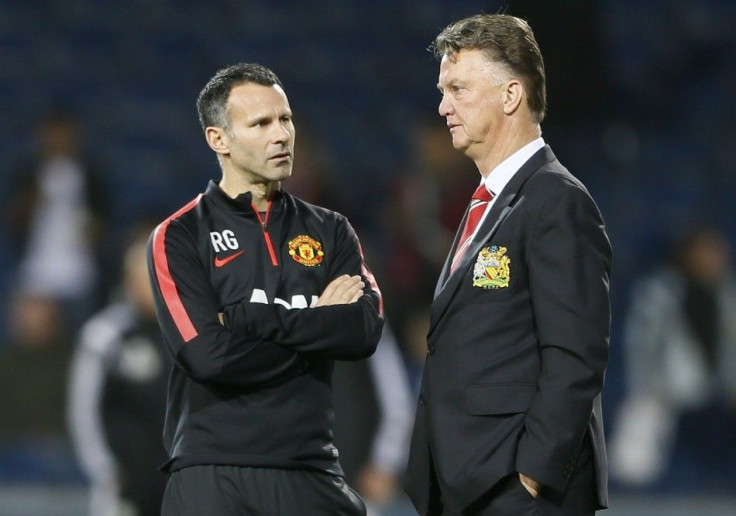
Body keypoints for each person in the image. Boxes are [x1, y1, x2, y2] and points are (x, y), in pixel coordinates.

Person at [146, 62, 384, 515]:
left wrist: (247, 320)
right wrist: (317, 327)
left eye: (286, 119)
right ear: (219, 140)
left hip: (310, 469)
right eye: (261, 123)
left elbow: (363, 330)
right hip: (211, 473)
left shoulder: (331, 230)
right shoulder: (178, 235)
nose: (282, 135)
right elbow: (206, 356)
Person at [404, 14, 612, 516]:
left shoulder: (556, 200)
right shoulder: (489, 203)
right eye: (442, 89)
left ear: (511, 95)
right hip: (473, 483)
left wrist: (533, 476)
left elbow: (575, 353)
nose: (442, 105)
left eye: (457, 88)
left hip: (516, 491)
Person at [610, 225, 736, 487]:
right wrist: (648, 384)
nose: (713, 258)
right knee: (643, 418)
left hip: (720, 387)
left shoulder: (727, 293)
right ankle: (629, 492)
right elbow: (641, 344)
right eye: (705, 252)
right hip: (668, 386)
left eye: (716, 252)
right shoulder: (661, 292)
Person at [67, 226, 169, 516]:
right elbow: (84, 411)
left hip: (180, 477)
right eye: (147, 276)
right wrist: (105, 469)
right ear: (129, 281)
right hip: (126, 481)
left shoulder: (190, 332)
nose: (155, 285)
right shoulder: (105, 335)